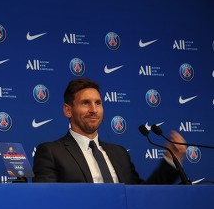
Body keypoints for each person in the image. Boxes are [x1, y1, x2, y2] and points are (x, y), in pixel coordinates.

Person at [33, 78, 187, 184]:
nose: (94, 110)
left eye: (98, 103)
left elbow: (141, 196)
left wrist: (170, 161)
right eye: (86, 103)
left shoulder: (119, 153)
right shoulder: (51, 152)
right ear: (68, 110)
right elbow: (47, 201)